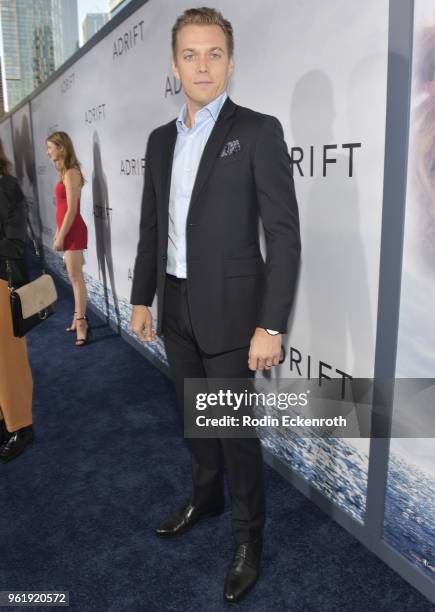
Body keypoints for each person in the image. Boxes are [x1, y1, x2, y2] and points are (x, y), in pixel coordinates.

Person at [130, 7, 300, 604]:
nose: (202, 66)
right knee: (194, 418)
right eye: (190, 54)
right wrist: (141, 297)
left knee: (233, 434)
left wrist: (270, 323)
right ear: (173, 63)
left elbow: (283, 236)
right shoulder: (157, 141)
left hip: (232, 312)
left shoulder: (257, 131)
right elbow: (154, 226)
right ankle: (206, 498)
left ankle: (248, 539)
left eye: (214, 54)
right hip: (173, 303)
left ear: (230, 60)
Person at [0, 140, 34, 463]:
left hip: (2, 283)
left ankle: (21, 427)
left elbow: (14, 243)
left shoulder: (7, 187)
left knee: (9, 363)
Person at [46, 132, 90, 346]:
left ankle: (81, 322)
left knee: (76, 277)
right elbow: (63, 210)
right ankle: (77, 317)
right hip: (66, 230)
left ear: (61, 148)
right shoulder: (64, 173)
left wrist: (61, 235)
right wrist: (57, 230)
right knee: (74, 277)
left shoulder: (71, 173)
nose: (48, 152)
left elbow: (72, 210)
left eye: (50, 147)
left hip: (73, 231)